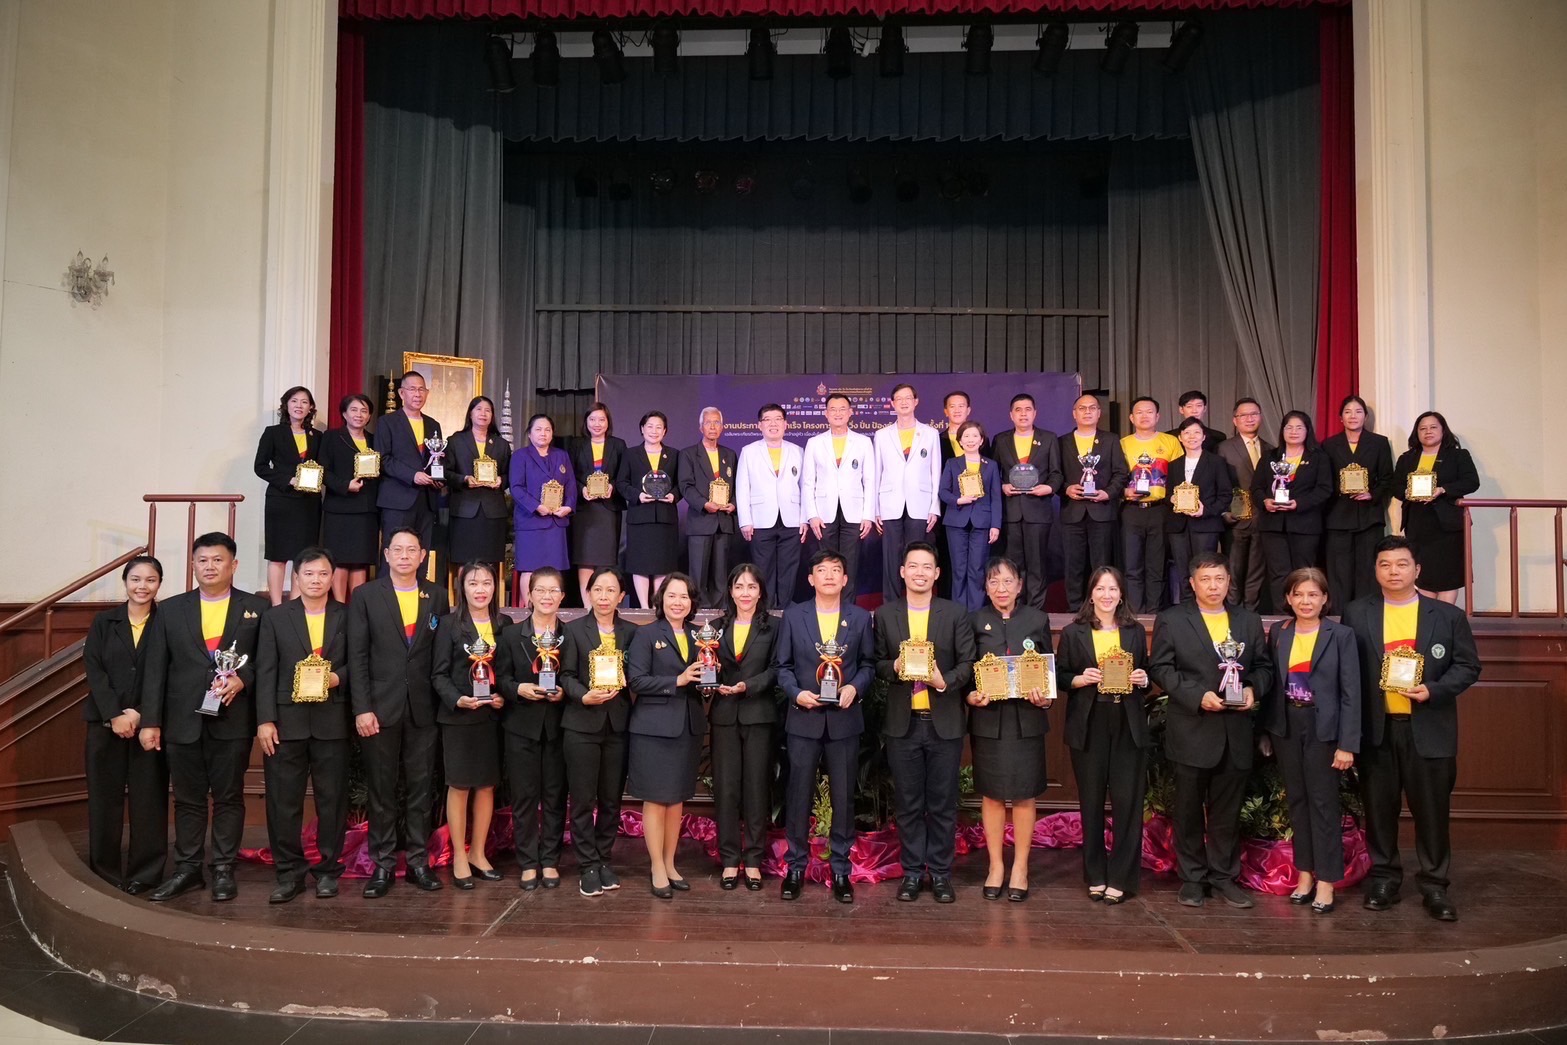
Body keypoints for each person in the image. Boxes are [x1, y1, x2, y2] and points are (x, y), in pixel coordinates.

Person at [1343, 536, 1481, 921]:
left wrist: (1433, 690)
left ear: (1417, 570)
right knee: (1379, 810)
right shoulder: (1358, 612)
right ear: (1375, 570)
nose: (1393, 571)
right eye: (1385, 564)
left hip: (1429, 730)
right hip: (1378, 731)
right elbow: (1349, 671)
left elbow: (1468, 666)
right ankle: (1384, 879)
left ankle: (1435, 886)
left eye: (1402, 564)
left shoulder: (1447, 616)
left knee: (1432, 813)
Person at [138, 533, 267, 902]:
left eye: (217, 560)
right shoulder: (170, 610)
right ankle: (187, 869)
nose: (210, 567)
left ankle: (223, 868)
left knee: (229, 797)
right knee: (187, 799)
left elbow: (267, 660)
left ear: (233, 565)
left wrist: (244, 679)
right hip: (182, 721)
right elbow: (155, 669)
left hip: (232, 720)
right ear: (193, 565)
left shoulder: (256, 608)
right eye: (203, 560)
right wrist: (150, 721)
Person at [1149, 552, 1272, 910]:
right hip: (1192, 728)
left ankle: (1223, 876)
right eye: (1205, 579)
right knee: (1188, 809)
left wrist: (1253, 690)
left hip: (1235, 731)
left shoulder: (1248, 620)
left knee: (1227, 812)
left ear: (1229, 581)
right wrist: (1196, 696)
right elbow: (1161, 668)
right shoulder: (1173, 619)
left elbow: (1264, 667)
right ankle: (1192, 877)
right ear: (1192, 583)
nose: (1213, 586)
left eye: (1219, 578)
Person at [347, 527, 449, 898]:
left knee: (422, 789)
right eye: (398, 550)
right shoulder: (366, 595)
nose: (405, 556)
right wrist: (362, 708)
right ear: (386, 554)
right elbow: (357, 656)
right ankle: (383, 864)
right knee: (381, 790)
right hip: (379, 709)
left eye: (412, 550)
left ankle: (419, 862)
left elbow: (441, 653)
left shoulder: (436, 595)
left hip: (424, 709)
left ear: (422, 556)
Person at [875, 542, 977, 904]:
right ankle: (913, 873)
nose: (920, 573)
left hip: (943, 723)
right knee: (908, 803)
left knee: (942, 803)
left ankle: (942, 874)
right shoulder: (885, 614)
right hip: (903, 724)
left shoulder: (955, 613)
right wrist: (894, 667)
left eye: (927, 567)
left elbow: (968, 663)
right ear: (902, 572)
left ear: (937, 574)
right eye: (913, 566)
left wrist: (942, 681)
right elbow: (876, 663)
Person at [775, 550, 875, 903]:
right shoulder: (794, 616)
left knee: (844, 798)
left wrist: (854, 688)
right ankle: (795, 867)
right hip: (804, 718)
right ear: (811, 578)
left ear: (845, 579)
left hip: (844, 720)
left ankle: (841, 870)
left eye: (836, 570)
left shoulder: (859, 617)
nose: (829, 576)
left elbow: (868, 664)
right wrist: (796, 693)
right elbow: (782, 666)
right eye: (822, 570)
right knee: (798, 794)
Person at [254, 547, 351, 903]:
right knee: (284, 802)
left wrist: (338, 678)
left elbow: (360, 662)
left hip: (332, 721)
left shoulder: (346, 615)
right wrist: (265, 720)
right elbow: (265, 670)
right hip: (286, 722)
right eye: (308, 573)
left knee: (332, 801)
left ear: (332, 577)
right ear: (296, 578)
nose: (316, 580)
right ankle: (288, 874)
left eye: (323, 573)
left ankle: (328, 871)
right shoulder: (276, 617)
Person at [1262, 567, 1360, 914]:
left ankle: (1327, 881)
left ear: (1324, 599)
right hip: (1287, 727)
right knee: (1298, 802)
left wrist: (1347, 744)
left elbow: (1351, 693)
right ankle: (1304, 875)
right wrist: (1267, 731)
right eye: (1299, 594)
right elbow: (1272, 686)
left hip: (1325, 730)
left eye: (1313, 595)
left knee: (1323, 805)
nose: (1306, 601)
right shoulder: (1279, 632)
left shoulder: (1341, 635)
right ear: (1289, 598)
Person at [1059, 566, 1152, 905]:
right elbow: (1060, 676)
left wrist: (1143, 678)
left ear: (1121, 594)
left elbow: (1147, 671)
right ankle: (1095, 875)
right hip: (1090, 721)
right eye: (1100, 588)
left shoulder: (1135, 631)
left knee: (1128, 803)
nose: (1107, 595)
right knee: (1092, 802)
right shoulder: (1073, 632)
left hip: (1127, 721)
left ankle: (1122, 877)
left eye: (1113, 589)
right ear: (1091, 594)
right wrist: (1079, 679)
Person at [967, 557, 1052, 902]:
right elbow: (966, 669)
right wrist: (970, 695)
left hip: (1026, 718)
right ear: (986, 588)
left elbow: (1048, 672)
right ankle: (995, 866)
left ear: (1019, 585)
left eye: (1007, 581)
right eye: (993, 582)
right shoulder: (974, 621)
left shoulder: (1037, 619)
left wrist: (1045, 697)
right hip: (988, 719)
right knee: (991, 794)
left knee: (1024, 793)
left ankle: (1020, 867)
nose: (1001, 588)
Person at [82, 555, 167, 894]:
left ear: (159, 584)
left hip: (151, 724)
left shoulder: (168, 621)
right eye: (136, 579)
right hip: (105, 723)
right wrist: (115, 714)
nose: (142, 586)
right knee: (104, 799)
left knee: (149, 800)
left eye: (150, 580)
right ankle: (104, 871)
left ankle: (145, 873)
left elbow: (170, 675)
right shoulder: (104, 622)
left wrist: (141, 714)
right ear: (125, 582)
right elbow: (95, 669)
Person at [626, 574, 708, 899]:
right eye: (672, 595)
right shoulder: (646, 634)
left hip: (688, 726)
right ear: (661, 599)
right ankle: (656, 866)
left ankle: (671, 863)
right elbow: (636, 680)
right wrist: (677, 680)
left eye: (684, 596)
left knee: (676, 799)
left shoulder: (700, 635)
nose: (678, 602)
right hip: (653, 728)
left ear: (692, 602)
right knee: (656, 798)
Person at [559, 567, 639, 897]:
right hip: (581, 723)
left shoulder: (632, 632)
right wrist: (583, 695)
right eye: (598, 590)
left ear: (622, 596)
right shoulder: (573, 630)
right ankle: (587, 865)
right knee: (582, 799)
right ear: (588, 593)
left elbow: (638, 674)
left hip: (618, 725)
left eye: (611, 591)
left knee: (610, 799)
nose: (604, 597)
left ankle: (604, 858)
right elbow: (565, 675)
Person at [495, 567, 572, 891]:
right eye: (540, 590)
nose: (547, 596)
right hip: (521, 726)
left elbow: (575, 676)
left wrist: (565, 692)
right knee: (524, 797)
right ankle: (528, 862)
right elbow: (501, 677)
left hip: (558, 727)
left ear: (562, 596)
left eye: (553, 591)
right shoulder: (512, 635)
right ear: (529, 595)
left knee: (555, 796)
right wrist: (518, 689)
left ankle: (550, 860)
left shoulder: (571, 635)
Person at [432, 561, 506, 889]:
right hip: (458, 717)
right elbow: (438, 673)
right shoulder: (449, 624)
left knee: (487, 785)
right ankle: (459, 857)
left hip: (491, 717)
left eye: (487, 583)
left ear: (495, 587)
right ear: (462, 588)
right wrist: (457, 699)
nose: (480, 590)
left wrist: (503, 695)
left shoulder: (503, 624)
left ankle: (478, 853)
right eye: (473, 583)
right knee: (460, 785)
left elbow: (507, 670)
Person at [709, 563, 778, 891]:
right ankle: (729, 859)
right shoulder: (714, 627)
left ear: (760, 591)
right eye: (739, 586)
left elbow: (777, 669)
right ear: (731, 591)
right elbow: (707, 667)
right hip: (723, 715)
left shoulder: (774, 627)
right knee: (726, 789)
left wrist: (747, 686)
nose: (745, 593)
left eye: (751, 586)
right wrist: (711, 684)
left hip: (758, 715)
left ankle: (752, 860)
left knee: (755, 788)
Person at [1391, 411, 1481, 603]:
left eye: (1433, 427)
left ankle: (1444, 618)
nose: (1428, 431)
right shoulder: (1407, 458)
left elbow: (1471, 482)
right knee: (1423, 577)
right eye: (1422, 428)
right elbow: (1395, 486)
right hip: (1418, 524)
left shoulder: (1457, 455)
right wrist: (1407, 492)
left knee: (1448, 577)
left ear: (1443, 430)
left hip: (1447, 526)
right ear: (1416, 433)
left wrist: (1443, 489)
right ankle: (1429, 618)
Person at [988, 394, 1064, 612]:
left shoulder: (1048, 438)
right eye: (1018, 410)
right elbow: (993, 473)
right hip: (1011, 512)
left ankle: (1035, 612)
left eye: (1028, 409)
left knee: (1037, 565)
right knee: (1013, 565)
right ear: (1011, 415)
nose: (1023, 414)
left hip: (1038, 511)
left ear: (1035, 413)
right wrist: (1002, 486)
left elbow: (1057, 473)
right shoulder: (1001, 440)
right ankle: (1015, 609)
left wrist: (1048, 488)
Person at [1252, 410, 1333, 612]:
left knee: (1303, 573)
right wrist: (1265, 501)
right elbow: (1256, 488)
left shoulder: (1318, 457)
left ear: (1307, 431)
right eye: (1289, 427)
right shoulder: (1270, 456)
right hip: (1273, 525)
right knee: (1278, 573)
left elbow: (1324, 489)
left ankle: (1304, 613)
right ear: (1282, 431)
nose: (1293, 432)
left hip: (1305, 525)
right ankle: (1282, 616)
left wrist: (1299, 503)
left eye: (1299, 427)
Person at [1322, 396, 1396, 611]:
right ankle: (1338, 618)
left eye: (1358, 411)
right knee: (1339, 573)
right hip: (1337, 516)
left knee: (1368, 571)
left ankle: (1366, 616)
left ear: (1366, 416)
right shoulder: (1329, 445)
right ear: (1340, 418)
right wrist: (1341, 489)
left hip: (1369, 516)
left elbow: (1388, 479)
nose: (1353, 416)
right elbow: (1324, 479)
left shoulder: (1379, 443)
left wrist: (1372, 494)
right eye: (1348, 412)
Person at [802, 393, 876, 602]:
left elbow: (870, 480)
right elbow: (808, 482)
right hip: (823, 513)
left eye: (842, 409)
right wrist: (812, 515)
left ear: (850, 412)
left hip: (854, 512)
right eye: (833, 409)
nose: (838, 413)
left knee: (849, 563)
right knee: (826, 562)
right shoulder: (815, 443)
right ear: (826, 414)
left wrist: (868, 515)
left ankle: (847, 609)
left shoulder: (863, 442)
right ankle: (826, 605)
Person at [1058, 394, 1128, 611]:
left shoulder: (1111, 440)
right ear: (1074, 413)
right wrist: (1066, 488)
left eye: (1092, 408)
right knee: (1073, 565)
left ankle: (1102, 608)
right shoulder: (1062, 442)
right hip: (1072, 512)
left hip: (1102, 511)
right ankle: (1074, 611)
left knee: (1102, 564)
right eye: (1082, 408)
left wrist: (1108, 493)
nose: (1087, 412)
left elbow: (1121, 473)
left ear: (1099, 413)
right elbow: (1054, 474)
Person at [253, 386, 323, 604]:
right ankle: (276, 606)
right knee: (278, 555)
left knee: (302, 556)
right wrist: (289, 480)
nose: (299, 406)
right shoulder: (273, 433)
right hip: (281, 501)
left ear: (310, 408)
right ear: (286, 405)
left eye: (304, 402)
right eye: (294, 401)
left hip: (308, 503)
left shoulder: (317, 436)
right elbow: (260, 467)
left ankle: (295, 604)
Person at [873, 383, 941, 601]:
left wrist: (934, 507)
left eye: (908, 398)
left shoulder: (930, 433)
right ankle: (891, 605)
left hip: (920, 503)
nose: (904, 402)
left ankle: (917, 601)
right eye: (899, 399)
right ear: (892, 404)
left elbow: (935, 472)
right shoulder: (882, 435)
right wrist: (876, 509)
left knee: (917, 557)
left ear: (916, 401)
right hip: (889, 503)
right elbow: (876, 473)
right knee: (890, 558)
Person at [736, 403, 806, 606]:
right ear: (760, 425)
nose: (773, 424)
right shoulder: (749, 451)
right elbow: (742, 488)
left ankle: (784, 609)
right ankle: (765, 611)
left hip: (792, 520)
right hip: (760, 520)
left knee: (789, 569)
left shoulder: (797, 451)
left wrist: (804, 519)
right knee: (762, 568)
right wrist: (745, 521)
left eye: (778, 419)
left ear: (785, 424)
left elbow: (805, 486)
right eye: (768, 420)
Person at [1120, 396, 1182, 614]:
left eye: (1149, 412)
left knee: (1157, 565)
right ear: (1131, 417)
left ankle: (1154, 614)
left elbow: (1180, 476)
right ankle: (1134, 614)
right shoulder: (1122, 444)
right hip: (1131, 510)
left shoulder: (1171, 442)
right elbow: (1114, 477)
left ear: (1158, 416)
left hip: (1160, 510)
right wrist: (1123, 492)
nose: (1144, 416)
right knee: (1132, 565)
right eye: (1139, 412)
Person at [615, 410, 680, 608]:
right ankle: (644, 607)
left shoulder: (674, 455)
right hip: (640, 518)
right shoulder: (630, 454)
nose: (654, 431)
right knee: (640, 564)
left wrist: (674, 495)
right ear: (642, 429)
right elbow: (621, 483)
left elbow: (681, 484)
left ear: (665, 431)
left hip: (665, 518)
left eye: (659, 427)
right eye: (650, 426)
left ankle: (658, 605)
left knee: (662, 565)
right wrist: (637, 495)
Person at [446, 396, 513, 588]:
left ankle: (489, 602)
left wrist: (501, 480)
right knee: (464, 560)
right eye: (479, 409)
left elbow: (509, 474)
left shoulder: (501, 444)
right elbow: (446, 472)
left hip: (493, 512)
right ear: (470, 413)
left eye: (488, 410)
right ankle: (463, 602)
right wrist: (464, 479)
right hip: (464, 510)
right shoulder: (456, 440)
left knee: (490, 562)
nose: (483, 414)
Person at [1166, 416, 1234, 604]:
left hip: (1206, 526)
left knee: (1204, 572)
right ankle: (1187, 610)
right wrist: (1171, 499)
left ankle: (1206, 608)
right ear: (1180, 437)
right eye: (1187, 433)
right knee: (1182, 572)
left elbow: (1225, 495)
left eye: (1196, 432)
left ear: (1204, 437)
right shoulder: (1174, 465)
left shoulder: (1216, 462)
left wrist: (1206, 510)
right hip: (1178, 526)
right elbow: (1167, 494)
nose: (1191, 437)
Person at [374, 371, 444, 553]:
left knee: (420, 553)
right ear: (401, 393)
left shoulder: (433, 424)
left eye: (421, 389)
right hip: (398, 499)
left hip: (426, 500)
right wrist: (413, 475)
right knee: (395, 552)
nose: (417, 394)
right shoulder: (387, 422)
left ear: (427, 393)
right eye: (412, 389)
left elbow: (435, 458)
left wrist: (438, 478)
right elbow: (383, 459)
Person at [511, 413, 576, 607]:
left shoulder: (562, 455)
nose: (543, 433)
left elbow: (571, 486)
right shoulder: (520, 456)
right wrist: (536, 506)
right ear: (529, 434)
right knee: (529, 569)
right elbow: (516, 488)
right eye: (538, 429)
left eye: (547, 430)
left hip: (556, 523)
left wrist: (568, 506)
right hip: (531, 522)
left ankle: (552, 609)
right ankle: (529, 609)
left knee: (554, 571)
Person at [320, 393, 380, 601]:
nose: (359, 415)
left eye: (364, 411)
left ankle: (357, 607)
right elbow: (323, 471)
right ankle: (339, 605)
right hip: (340, 507)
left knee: (360, 561)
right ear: (344, 414)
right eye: (354, 410)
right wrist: (345, 485)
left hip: (367, 509)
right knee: (340, 560)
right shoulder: (331, 437)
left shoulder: (374, 440)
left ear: (369, 416)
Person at [938, 421, 1003, 611]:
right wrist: (958, 500)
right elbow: (943, 492)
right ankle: (958, 612)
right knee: (958, 569)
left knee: (977, 569)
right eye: (966, 436)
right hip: (956, 521)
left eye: (975, 436)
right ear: (960, 441)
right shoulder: (952, 463)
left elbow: (996, 497)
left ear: (981, 440)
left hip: (982, 522)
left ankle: (976, 612)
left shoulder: (991, 465)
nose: (970, 440)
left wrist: (995, 525)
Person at [567, 402, 627, 606]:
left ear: (608, 422)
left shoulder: (618, 445)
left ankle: (604, 604)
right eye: (592, 419)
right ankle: (587, 606)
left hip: (608, 509)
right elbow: (569, 476)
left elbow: (624, 475)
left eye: (601, 419)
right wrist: (581, 489)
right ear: (586, 422)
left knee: (606, 559)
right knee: (584, 558)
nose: (597, 423)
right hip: (585, 509)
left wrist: (613, 487)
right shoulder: (576, 445)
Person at [679, 407, 739, 607]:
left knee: (721, 574)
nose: (712, 426)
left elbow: (738, 486)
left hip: (724, 521)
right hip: (701, 520)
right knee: (698, 573)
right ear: (700, 427)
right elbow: (685, 486)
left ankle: (720, 612)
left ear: (722, 427)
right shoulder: (688, 454)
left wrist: (734, 504)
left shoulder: (730, 455)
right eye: (708, 423)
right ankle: (697, 612)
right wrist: (704, 504)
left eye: (716, 422)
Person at [1217, 398, 1272, 610]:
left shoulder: (1271, 449)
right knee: (1234, 570)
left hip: (1264, 518)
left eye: (1254, 414)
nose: (1249, 419)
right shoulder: (1223, 448)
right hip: (1236, 519)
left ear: (1260, 417)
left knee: (1256, 572)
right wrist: (1224, 512)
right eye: (1244, 415)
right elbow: (1218, 483)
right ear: (1235, 420)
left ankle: (1251, 613)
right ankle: (1232, 613)